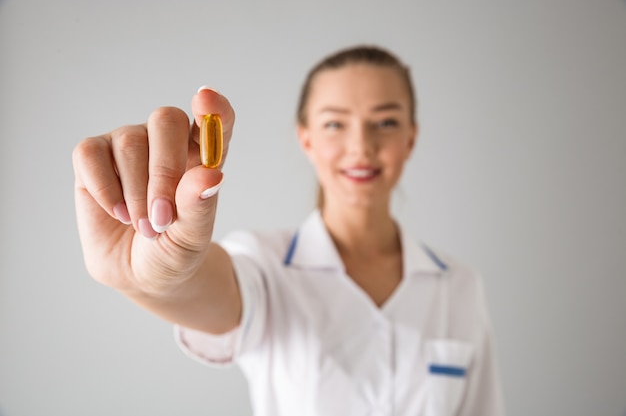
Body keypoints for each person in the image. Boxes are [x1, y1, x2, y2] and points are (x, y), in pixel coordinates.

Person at [73, 45, 505, 416]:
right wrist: (158, 277)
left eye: (386, 122)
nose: (361, 146)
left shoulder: (461, 286)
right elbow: (212, 293)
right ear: (306, 139)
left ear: (410, 138)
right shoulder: (264, 265)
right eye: (335, 123)